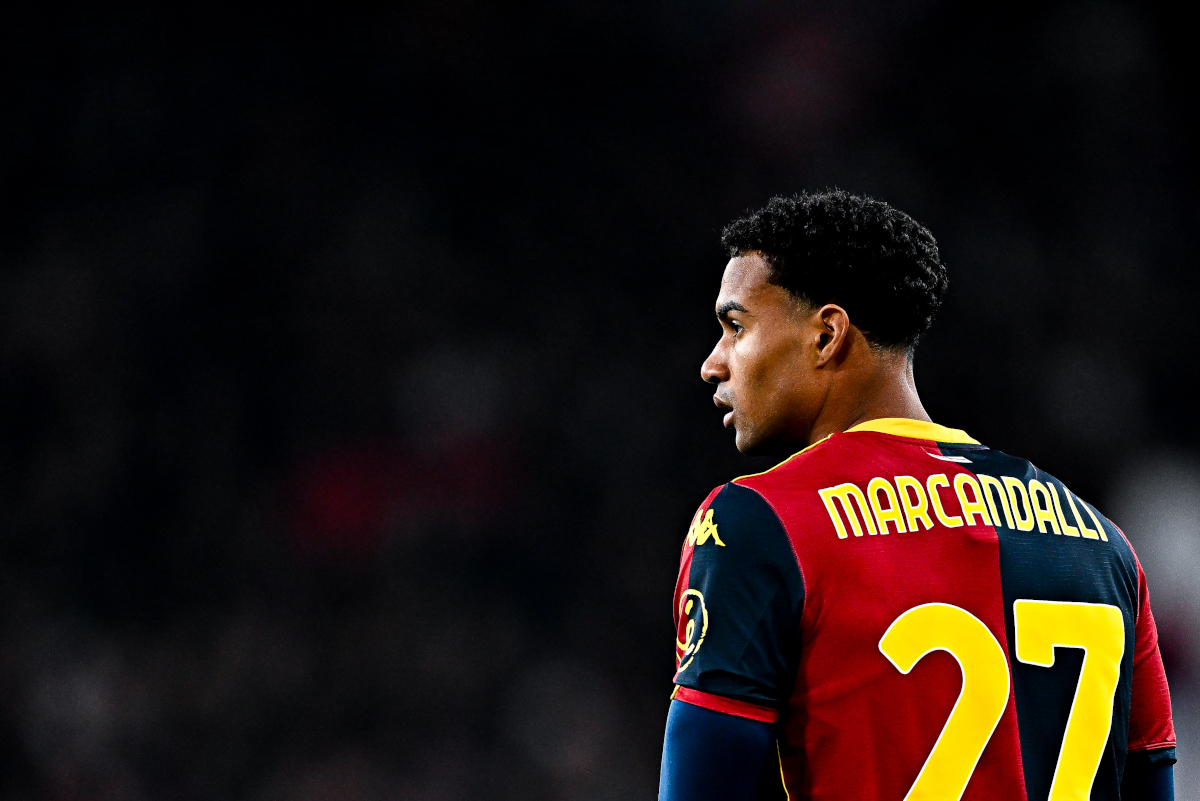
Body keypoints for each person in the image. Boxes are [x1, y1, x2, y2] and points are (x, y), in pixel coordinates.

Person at [658, 191, 1176, 801]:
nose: (712, 365)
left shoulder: (762, 523)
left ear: (826, 335)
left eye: (736, 327)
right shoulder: (1105, 546)